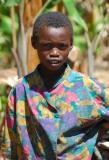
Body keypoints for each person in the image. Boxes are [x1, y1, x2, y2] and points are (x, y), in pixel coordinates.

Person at [0, 11, 109, 160]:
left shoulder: (88, 88)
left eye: (62, 46)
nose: (54, 53)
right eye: (47, 46)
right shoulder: (21, 91)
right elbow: (8, 146)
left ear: (70, 45)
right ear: (34, 43)